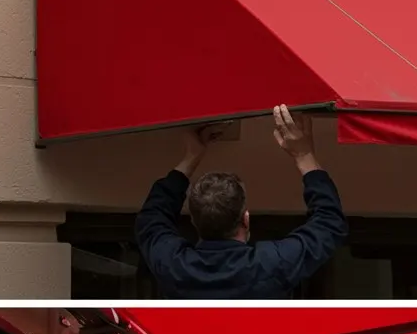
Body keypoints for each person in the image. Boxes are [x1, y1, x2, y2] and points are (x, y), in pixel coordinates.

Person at [135, 105, 349, 299]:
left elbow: (151, 218)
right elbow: (329, 224)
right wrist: (304, 154)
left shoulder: (174, 265)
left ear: (194, 220)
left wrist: (191, 156)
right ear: (245, 219)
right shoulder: (270, 264)